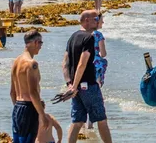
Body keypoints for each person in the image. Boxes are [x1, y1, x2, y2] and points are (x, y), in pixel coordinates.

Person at [63, 10, 113, 143]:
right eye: (95, 19)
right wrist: (73, 86)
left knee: (77, 122)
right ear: (86, 20)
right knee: (101, 120)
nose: (98, 21)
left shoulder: (73, 37)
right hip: (88, 85)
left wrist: (70, 83)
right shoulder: (89, 38)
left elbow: (65, 63)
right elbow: (82, 63)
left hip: (77, 87)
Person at [11, 29, 62, 143]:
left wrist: (19, 109)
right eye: (41, 43)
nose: (41, 47)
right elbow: (33, 92)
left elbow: (12, 92)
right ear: (35, 42)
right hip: (29, 108)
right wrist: (42, 115)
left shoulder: (16, 62)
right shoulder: (31, 63)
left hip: (17, 108)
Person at [93, 15, 108, 87]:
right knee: (102, 63)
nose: (103, 22)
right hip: (95, 63)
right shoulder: (98, 35)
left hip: (83, 60)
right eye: (101, 20)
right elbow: (103, 54)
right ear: (97, 22)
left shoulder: (83, 33)